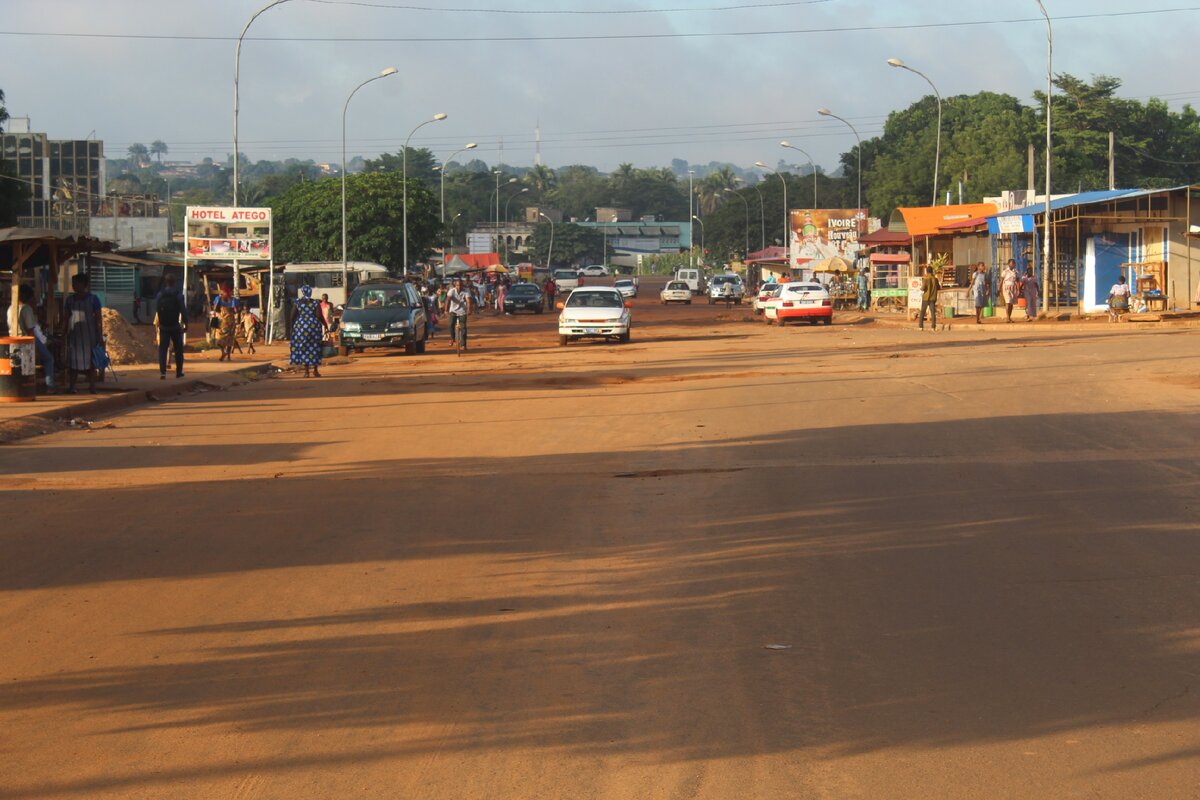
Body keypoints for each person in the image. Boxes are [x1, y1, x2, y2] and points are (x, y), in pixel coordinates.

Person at [9, 284, 55, 393]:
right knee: (49, 359)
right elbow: (30, 330)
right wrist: (34, 347)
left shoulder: (11, 308)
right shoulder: (26, 309)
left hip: (13, 339)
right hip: (26, 340)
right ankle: (50, 386)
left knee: (18, 365)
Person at [62, 273, 102, 394]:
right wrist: (63, 333)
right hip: (75, 336)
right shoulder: (70, 300)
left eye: (76, 283)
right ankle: (72, 386)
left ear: (84, 284)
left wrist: (100, 335)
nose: (73, 286)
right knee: (73, 363)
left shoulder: (93, 299)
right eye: (73, 283)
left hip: (90, 336)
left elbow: (99, 319)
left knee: (91, 362)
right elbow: (66, 317)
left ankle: (92, 386)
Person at [154, 274, 187, 379]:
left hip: (163, 326)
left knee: (163, 349)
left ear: (166, 282)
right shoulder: (178, 295)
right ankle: (179, 372)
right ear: (175, 282)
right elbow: (183, 311)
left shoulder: (160, 295)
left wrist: (160, 323)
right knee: (178, 350)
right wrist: (186, 324)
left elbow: (157, 310)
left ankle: (162, 372)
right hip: (175, 326)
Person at [289, 285, 326, 377]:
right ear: (310, 292)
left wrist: (291, 328)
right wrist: (325, 325)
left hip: (300, 327)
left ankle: (306, 372)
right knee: (315, 347)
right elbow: (319, 316)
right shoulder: (315, 303)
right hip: (314, 327)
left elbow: (292, 316)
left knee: (303, 348)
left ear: (303, 292)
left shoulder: (297, 302)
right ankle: (315, 371)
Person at [212, 281, 239, 361]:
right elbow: (236, 310)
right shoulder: (233, 300)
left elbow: (215, 309)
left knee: (218, 337)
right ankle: (228, 356)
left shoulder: (218, 298)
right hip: (230, 320)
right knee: (230, 338)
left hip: (222, 320)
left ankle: (223, 352)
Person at [446, 277, 472, 349]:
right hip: (453, 311)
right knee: (451, 324)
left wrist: (469, 310)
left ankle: (463, 344)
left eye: (460, 285)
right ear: (455, 286)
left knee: (463, 328)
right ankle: (452, 339)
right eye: (457, 285)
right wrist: (446, 310)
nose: (459, 287)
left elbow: (468, 301)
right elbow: (448, 300)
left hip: (462, 312)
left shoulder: (466, 291)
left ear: (462, 286)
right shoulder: (452, 291)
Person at [918, 265, 940, 331]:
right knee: (933, 313)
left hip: (925, 298)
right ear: (932, 271)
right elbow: (938, 287)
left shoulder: (925, 279)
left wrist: (921, 288)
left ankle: (921, 327)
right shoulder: (935, 279)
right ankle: (933, 327)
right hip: (932, 298)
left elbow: (923, 288)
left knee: (922, 312)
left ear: (927, 272)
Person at [1000, 259, 1020, 323]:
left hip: (1013, 288)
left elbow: (1017, 281)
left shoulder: (1016, 272)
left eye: (1013, 263)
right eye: (1011, 263)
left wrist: (1018, 289)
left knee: (1011, 304)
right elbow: (1001, 281)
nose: (1012, 265)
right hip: (1006, 288)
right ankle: (1007, 317)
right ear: (1008, 264)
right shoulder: (1005, 271)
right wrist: (999, 289)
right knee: (1008, 302)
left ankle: (1009, 317)